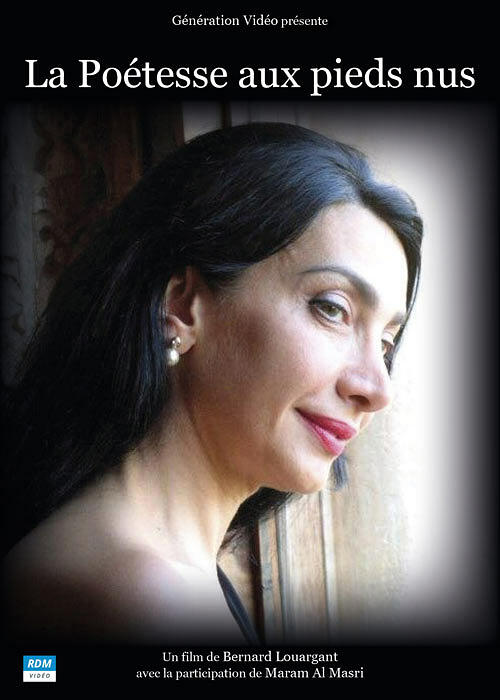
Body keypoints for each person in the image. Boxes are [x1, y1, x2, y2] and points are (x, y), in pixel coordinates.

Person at [1, 122, 423, 645]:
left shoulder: (167, 573)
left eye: (386, 343)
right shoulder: (140, 597)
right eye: (332, 309)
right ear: (182, 306)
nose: (378, 389)